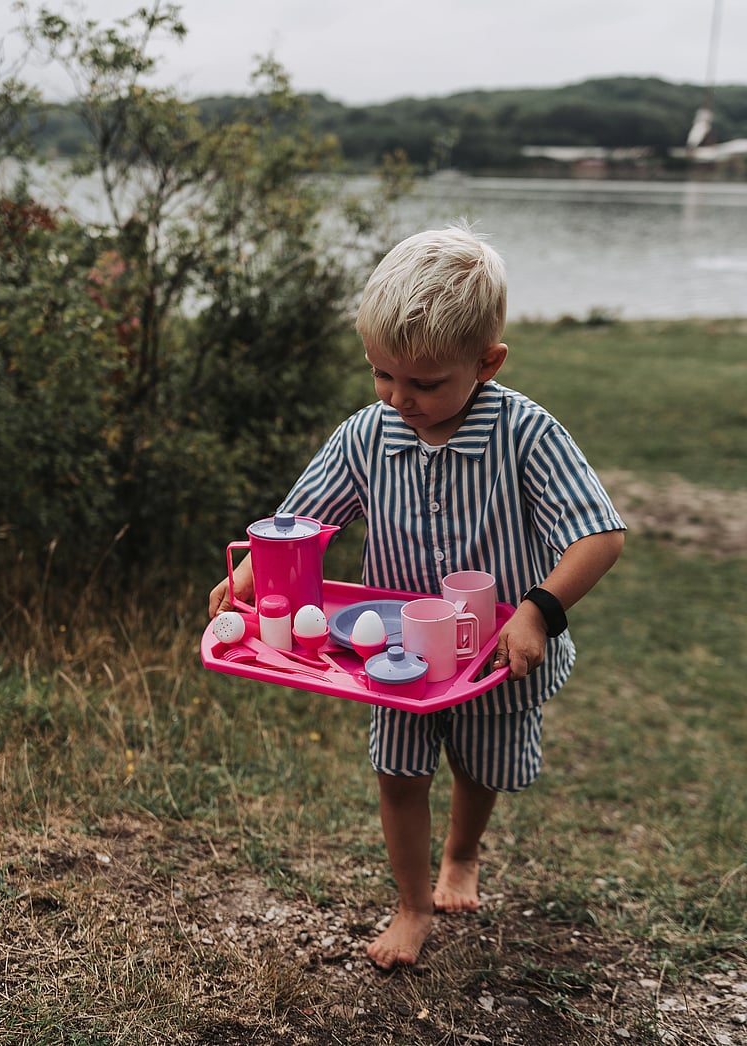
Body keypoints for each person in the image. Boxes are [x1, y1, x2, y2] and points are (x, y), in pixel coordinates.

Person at [208, 223, 626, 970]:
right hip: (392, 657)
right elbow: (300, 526)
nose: (400, 399)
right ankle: (412, 904)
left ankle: (462, 852)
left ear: (486, 362)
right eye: (382, 375)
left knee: (481, 766)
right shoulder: (367, 435)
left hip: (496, 653)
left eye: (425, 382)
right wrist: (244, 583)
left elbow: (598, 535)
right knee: (399, 773)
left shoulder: (526, 433)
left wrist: (538, 611)